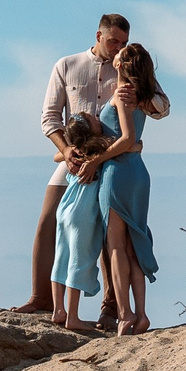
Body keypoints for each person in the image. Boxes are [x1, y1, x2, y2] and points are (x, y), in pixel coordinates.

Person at [15, 14, 170, 320]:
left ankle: (111, 307)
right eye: (113, 41)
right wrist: (67, 150)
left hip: (114, 159)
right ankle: (41, 298)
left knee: (109, 233)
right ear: (99, 36)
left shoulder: (126, 67)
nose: (118, 47)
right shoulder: (67, 65)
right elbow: (49, 118)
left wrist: (142, 96)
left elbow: (163, 108)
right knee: (50, 220)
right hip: (74, 156)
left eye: (123, 42)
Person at [77, 41, 163, 334]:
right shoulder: (142, 96)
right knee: (132, 244)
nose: (116, 55)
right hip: (138, 171)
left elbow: (126, 139)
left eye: (121, 55)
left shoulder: (122, 95)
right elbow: (133, 138)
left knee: (115, 245)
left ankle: (125, 313)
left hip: (118, 172)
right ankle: (141, 314)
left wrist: (95, 160)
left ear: (124, 65)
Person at [47, 114, 111, 332]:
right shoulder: (99, 149)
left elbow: (57, 157)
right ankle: (73, 316)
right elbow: (123, 147)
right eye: (94, 120)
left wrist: (67, 151)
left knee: (61, 256)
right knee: (79, 260)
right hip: (81, 212)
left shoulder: (74, 153)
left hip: (64, 209)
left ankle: (58, 310)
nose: (98, 118)